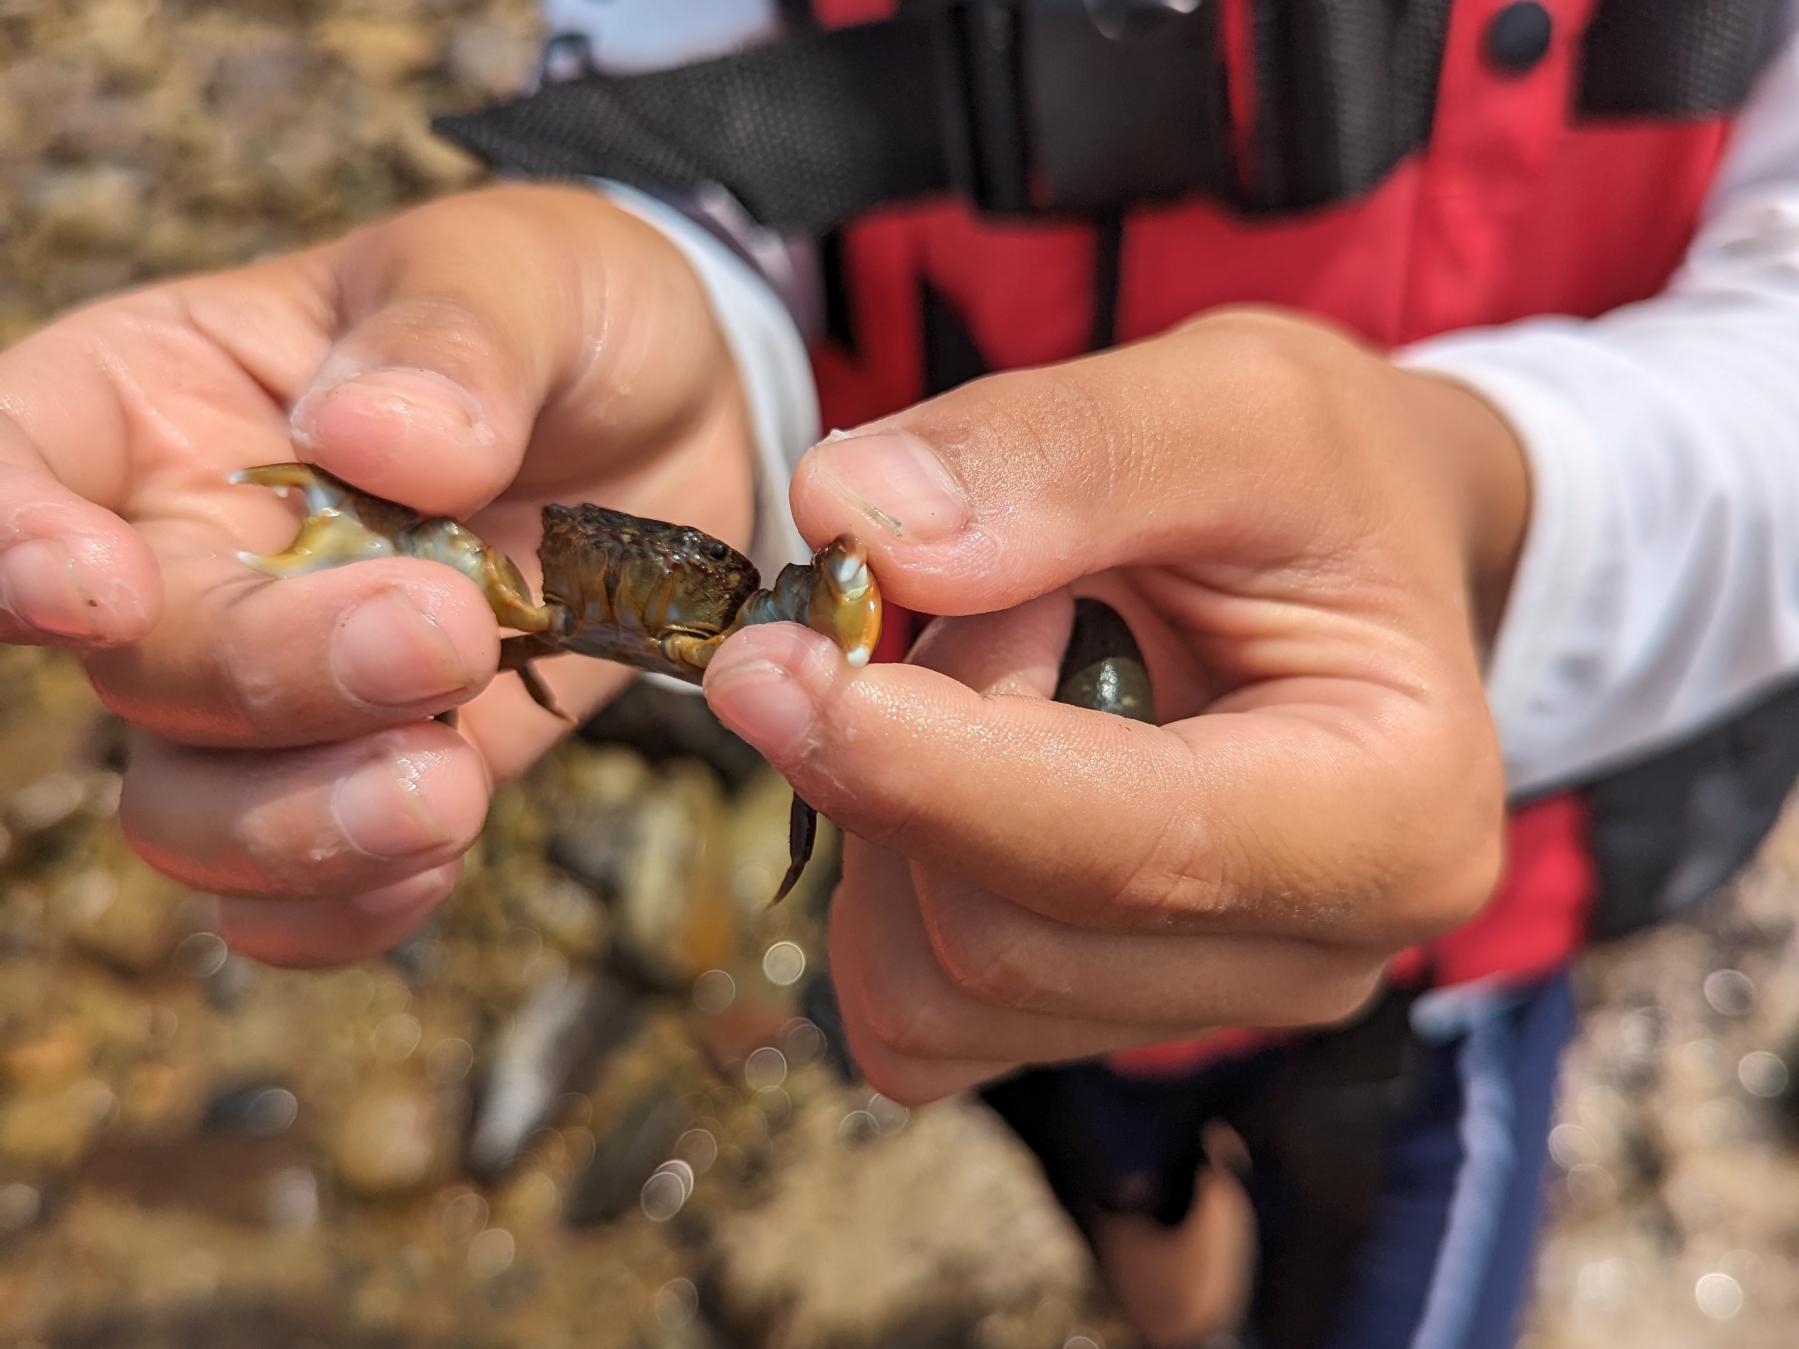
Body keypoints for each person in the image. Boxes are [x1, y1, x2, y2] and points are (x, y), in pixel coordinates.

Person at [3, 2, 1798, 1345]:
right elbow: (683, 101)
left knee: (1371, 1229)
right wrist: (664, 277)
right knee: (1079, 1114)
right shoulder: (679, 604)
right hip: (955, 884)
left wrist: (1493, 510)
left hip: (1460, 922)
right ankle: (1157, 1262)